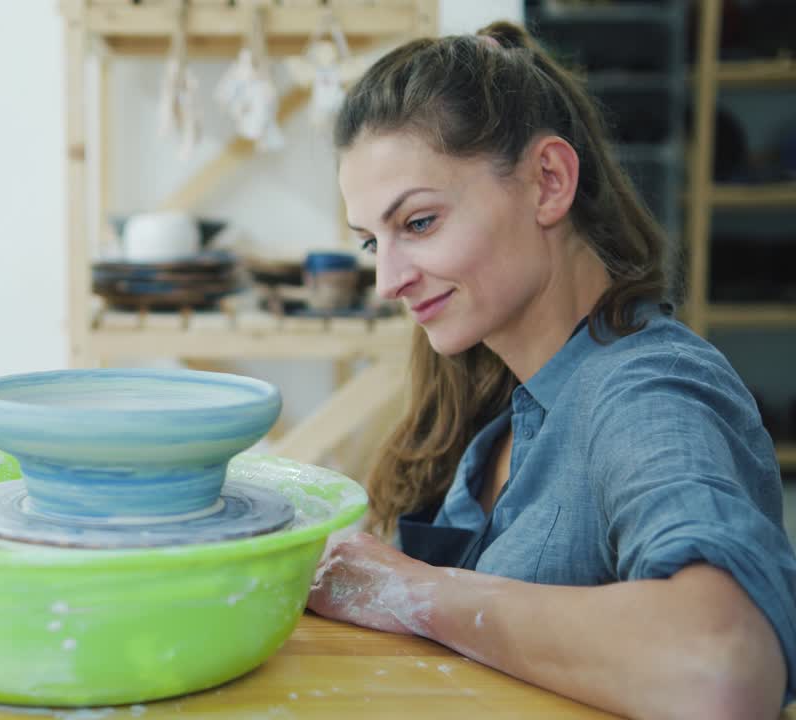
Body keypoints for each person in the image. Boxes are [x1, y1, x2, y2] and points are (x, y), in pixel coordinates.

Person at [306, 20, 796, 720]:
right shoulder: (504, 389)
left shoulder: (645, 391)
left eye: (418, 224)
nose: (387, 280)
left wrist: (414, 591)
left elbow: (720, 667)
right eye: (368, 242)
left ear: (549, 182)